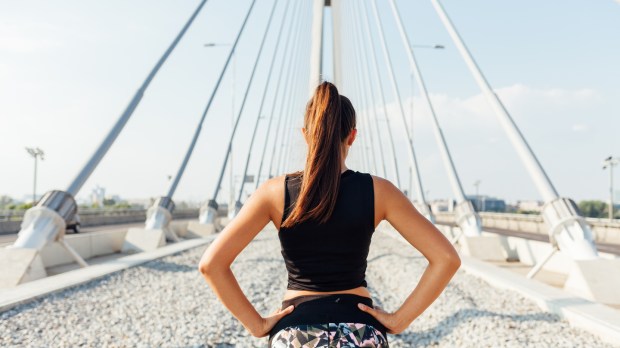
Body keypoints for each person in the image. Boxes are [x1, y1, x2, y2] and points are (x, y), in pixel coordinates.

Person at [198, 81, 461, 347]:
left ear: (305, 134)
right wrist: (399, 320)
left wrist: (257, 325)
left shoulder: (274, 192)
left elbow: (211, 264)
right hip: (360, 333)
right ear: (352, 136)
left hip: (295, 334)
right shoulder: (380, 191)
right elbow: (446, 258)